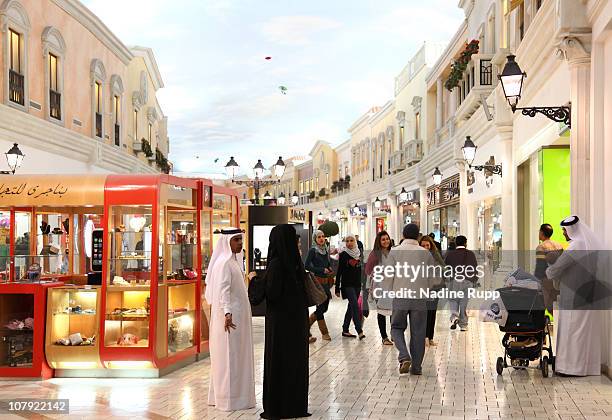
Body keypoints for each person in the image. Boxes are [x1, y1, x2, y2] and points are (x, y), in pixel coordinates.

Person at [261, 225, 310, 419]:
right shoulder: (295, 263)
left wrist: (258, 280)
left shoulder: (276, 264)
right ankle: (295, 405)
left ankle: (279, 406)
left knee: (279, 361)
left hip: (280, 322)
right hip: (297, 320)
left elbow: (272, 293)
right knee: (295, 362)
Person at [546, 215, 604, 376]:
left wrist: (548, 270)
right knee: (583, 331)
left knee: (572, 331)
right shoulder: (588, 245)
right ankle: (584, 367)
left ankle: (571, 368)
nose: (564, 233)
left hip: (574, 296)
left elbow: (557, 268)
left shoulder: (575, 246)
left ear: (572, 230)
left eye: (565, 230)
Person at [205, 228, 255, 412]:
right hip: (230, 319)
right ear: (227, 242)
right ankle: (229, 399)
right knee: (229, 358)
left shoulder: (233, 261)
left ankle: (226, 396)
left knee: (232, 357)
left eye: (241, 240)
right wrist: (227, 313)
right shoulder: (225, 262)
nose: (240, 244)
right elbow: (224, 291)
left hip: (236, 317)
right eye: (236, 240)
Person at [389, 223, 439, 375]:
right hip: (419, 297)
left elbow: (388, 276)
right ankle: (416, 367)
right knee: (418, 331)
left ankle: (404, 356)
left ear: (403, 235)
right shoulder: (425, 253)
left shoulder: (394, 251)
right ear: (418, 236)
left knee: (396, 327)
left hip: (401, 295)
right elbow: (433, 278)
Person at [364, 230, 394, 346]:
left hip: (392, 286)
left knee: (393, 311)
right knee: (381, 311)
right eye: (383, 239)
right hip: (379, 286)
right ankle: (384, 337)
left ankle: (393, 334)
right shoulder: (375, 254)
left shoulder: (393, 252)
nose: (386, 241)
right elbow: (367, 270)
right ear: (379, 241)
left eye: (387, 239)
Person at [304, 230, 334, 342]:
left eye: (323, 236)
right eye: (319, 237)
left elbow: (327, 263)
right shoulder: (313, 250)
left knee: (324, 307)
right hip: (318, 282)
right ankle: (324, 332)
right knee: (320, 307)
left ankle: (306, 325)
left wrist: (329, 268)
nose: (321, 239)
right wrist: (321, 269)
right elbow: (306, 265)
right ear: (315, 239)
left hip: (326, 282)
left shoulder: (325, 249)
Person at [445, 235, 478, 332]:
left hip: (454, 280)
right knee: (464, 303)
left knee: (453, 300)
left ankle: (455, 317)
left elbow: (446, 267)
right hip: (468, 281)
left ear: (456, 243)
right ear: (465, 243)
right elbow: (475, 268)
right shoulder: (471, 254)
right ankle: (463, 325)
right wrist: (474, 280)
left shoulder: (450, 254)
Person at [335, 234, 365, 339]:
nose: (349, 243)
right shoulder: (343, 255)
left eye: (351, 240)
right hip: (347, 285)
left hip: (357, 284)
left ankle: (345, 329)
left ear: (355, 241)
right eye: (347, 241)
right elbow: (339, 272)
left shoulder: (359, 254)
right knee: (355, 305)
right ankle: (359, 330)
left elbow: (361, 270)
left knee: (351, 306)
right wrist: (337, 288)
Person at [419, 235, 445, 347]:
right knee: (424, 313)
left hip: (435, 288)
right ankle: (424, 337)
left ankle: (430, 337)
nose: (426, 247)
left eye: (427, 245)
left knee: (432, 312)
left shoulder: (436, 256)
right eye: (423, 245)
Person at [534, 223, 563, 317]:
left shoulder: (541, 247)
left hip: (547, 281)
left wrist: (536, 281)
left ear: (542, 233)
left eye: (539, 231)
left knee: (549, 305)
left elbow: (540, 266)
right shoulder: (559, 245)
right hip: (559, 280)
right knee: (557, 305)